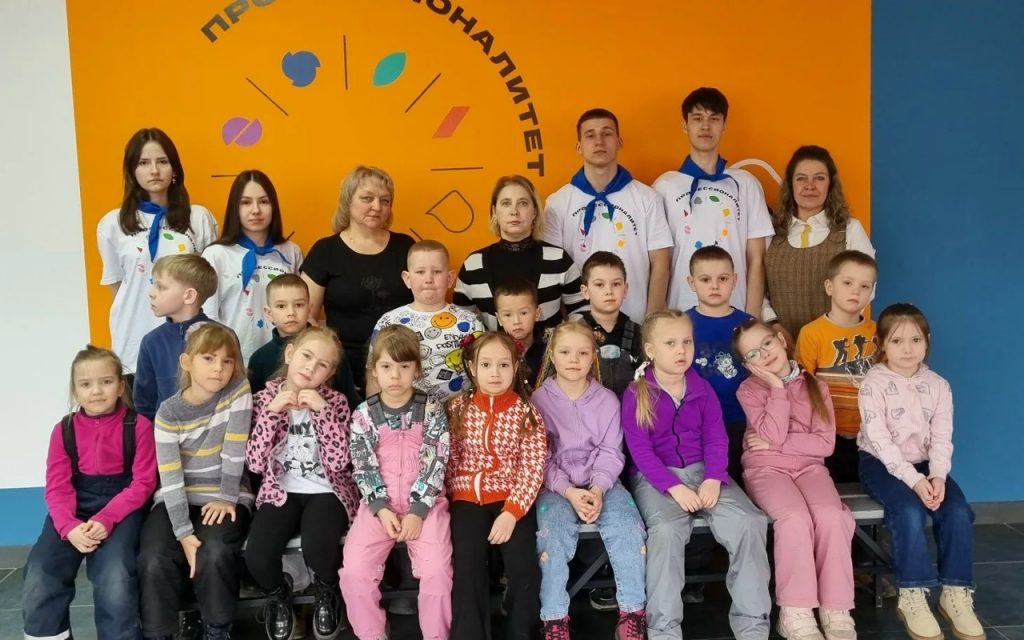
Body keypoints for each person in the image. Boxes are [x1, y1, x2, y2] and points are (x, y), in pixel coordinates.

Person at [622, 310, 771, 640]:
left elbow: (716, 437)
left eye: (687, 342)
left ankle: (753, 627)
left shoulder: (703, 389)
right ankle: (664, 631)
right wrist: (673, 487)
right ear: (650, 349)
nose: (681, 350)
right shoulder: (636, 393)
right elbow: (640, 451)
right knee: (665, 532)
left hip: (705, 473)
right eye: (670, 343)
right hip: (657, 479)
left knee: (749, 522)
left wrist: (714, 477)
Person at [857, 304, 984, 640]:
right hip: (880, 463)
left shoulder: (939, 385)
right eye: (897, 341)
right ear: (882, 344)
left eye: (916, 340)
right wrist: (914, 481)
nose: (908, 349)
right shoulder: (873, 383)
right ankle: (912, 593)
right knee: (909, 511)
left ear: (927, 341)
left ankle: (955, 593)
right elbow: (880, 441)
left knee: (956, 510)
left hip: (926, 464)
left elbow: (942, 438)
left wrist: (938, 475)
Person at [22, 346, 157, 640]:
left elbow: (143, 483)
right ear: (75, 390)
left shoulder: (139, 427)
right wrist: (68, 527)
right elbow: (57, 486)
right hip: (72, 510)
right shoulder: (63, 430)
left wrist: (106, 519)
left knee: (115, 576)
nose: (96, 391)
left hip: (121, 509)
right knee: (40, 572)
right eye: (85, 384)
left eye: (106, 381)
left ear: (120, 386)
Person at [734, 319, 857, 640]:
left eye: (767, 344)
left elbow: (824, 444)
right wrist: (777, 387)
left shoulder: (817, 387)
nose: (764, 354)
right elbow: (772, 433)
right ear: (748, 365)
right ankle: (795, 612)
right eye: (753, 354)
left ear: (781, 339)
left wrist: (776, 443)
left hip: (809, 469)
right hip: (766, 470)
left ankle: (836, 608)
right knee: (795, 518)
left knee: (832, 516)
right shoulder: (749, 390)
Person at [532, 321, 647, 640]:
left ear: (593, 356)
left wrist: (597, 489)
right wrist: (569, 492)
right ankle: (554, 618)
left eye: (583, 353)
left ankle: (632, 612)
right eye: (565, 352)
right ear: (552, 355)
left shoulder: (607, 400)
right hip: (556, 487)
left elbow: (611, 452)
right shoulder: (538, 401)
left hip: (603, 484)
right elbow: (540, 457)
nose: (574, 359)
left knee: (628, 527)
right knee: (552, 534)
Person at [138, 324, 253, 640]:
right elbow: (171, 477)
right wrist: (183, 532)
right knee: (153, 557)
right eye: (209, 358)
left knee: (213, 552)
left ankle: (217, 629)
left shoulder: (238, 390)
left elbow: (234, 452)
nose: (219, 368)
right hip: (177, 498)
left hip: (226, 492)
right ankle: (160, 633)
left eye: (227, 361)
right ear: (187, 362)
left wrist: (227, 498)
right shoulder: (168, 413)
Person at [246, 326, 359, 640]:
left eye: (322, 365)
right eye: (306, 356)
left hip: (326, 489)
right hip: (280, 489)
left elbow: (339, 461)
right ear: (289, 354)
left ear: (330, 373)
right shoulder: (263, 399)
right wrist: (271, 413)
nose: (310, 367)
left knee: (318, 547)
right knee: (258, 556)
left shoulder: (335, 401)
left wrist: (323, 412)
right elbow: (254, 463)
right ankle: (278, 594)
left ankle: (326, 588)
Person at [341, 325, 453, 640]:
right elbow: (363, 465)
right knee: (354, 572)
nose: (395, 375)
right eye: (387, 367)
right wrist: (381, 507)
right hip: (378, 508)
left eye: (404, 367)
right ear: (374, 370)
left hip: (425, 507)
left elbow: (437, 460)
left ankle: (436, 636)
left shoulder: (431, 408)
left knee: (437, 573)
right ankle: (372, 634)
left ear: (416, 369)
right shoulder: (363, 415)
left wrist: (418, 510)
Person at [446, 331, 547, 640]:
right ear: (472, 368)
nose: (494, 373)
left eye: (503, 365)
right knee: (467, 564)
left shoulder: (526, 412)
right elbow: (449, 458)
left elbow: (533, 467)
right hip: (467, 498)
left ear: (515, 367)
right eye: (486, 364)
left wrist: (512, 512)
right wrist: (455, 492)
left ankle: (521, 632)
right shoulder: (457, 408)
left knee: (523, 566)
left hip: (511, 499)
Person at [97, 127, 218, 378]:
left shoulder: (199, 218)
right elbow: (118, 288)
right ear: (132, 171)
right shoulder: (112, 224)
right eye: (144, 163)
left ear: (174, 169)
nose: (154, 170)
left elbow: (207, 285)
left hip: (191, 342)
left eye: (162, 161)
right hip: (133, 341)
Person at [652, 87, 774, 317]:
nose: (706, 126)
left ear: (724, 125)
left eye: (714, 119)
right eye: (697, 118)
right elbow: (658, 263)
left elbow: (757, 259)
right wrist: (657, 320)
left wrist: (751, 318)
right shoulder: (664, 186)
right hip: (679, 314)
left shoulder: (746, 183)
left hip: (735, 313)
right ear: (685, 125)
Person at [544, 108, 673, 323]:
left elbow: (660, 264)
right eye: (590, 135)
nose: (599, 141)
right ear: (579, 146)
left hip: (635, 325)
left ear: (619, 142)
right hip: (578, 330)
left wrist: (652, 322)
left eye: (607, 133)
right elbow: (553, 272)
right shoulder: (557, 204)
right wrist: (566, 327)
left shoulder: (647, 198)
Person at [301, 165, 415, 390]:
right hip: (340, 370)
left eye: (385, 200)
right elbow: (307, 316)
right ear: (347, 201)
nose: (377, 207)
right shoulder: (325, 251)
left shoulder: (406, 247)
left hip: (398, 369)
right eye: (367, 198)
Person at [764, 146, 875, 339]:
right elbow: (758, 290)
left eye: (819, 178)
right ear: (790, 185)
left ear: (830, 185)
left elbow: (866, 288)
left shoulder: (850, 230)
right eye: (801, 178)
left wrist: (830, 332)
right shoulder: (770, 233)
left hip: (836, 343)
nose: (810, 186)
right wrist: (774, 326)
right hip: (780, 345)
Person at [454, 175, 586, 330]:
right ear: (494, 211)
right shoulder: (473, 264)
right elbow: (459, 321)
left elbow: (581, 310)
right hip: (493, 346)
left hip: (551, 346)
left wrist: (565, 342)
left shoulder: (559, 259)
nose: (514, 212)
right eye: (506, 203)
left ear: (534, 211)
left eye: (523, 203)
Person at [202, 170, 304, 362]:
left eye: (264, 202)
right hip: (232, 361)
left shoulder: (291, 252)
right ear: (235, 208)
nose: (256, 210)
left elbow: (302, 310)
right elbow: (208, 318)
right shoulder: (216, 255)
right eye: (246, 202)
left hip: (285, 363)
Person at [796, 250, 879, 482]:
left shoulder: (878, 332)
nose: (856, 291)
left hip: (870, 435)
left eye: (864, 286)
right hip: (826, 434)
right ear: (830, 286)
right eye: (847, 283)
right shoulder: (812, 333)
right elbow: (801, 387)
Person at [368, 240, 483, 399]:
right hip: (405, 412)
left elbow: (482, 374)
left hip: (459, 410)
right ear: (407, 279)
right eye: (420, 272)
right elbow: (373, 375)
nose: (428, 279)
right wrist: (373, 410)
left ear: (450, 278)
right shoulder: (389, 321)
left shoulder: (471, 322)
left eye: (436, 271)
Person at [684, 246, 755, 484]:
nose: (714, 286)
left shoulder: (748, 324)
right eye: (705, 279)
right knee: (705, 484)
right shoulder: (683, 324)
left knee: (740, 483)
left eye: (722, 279)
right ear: (691, 282)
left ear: (734, 280)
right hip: (695, 422)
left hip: (741, 420)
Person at [247, 274, 360, 407]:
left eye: (299, 305)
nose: (291, 312)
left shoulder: (330, 351)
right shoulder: (259, 359)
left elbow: (350, 403)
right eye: (281, 306)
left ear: (309, 309)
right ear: (269, 313)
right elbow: (255, 409)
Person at [133, 254, 217, 421]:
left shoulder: (223, 337)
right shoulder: (151, 342)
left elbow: (235, 394)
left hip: (215, 433)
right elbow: (144, 405)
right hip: (166, 434)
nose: (151, 293)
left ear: (189, 296)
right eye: (153, 285)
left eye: (161, 287)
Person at [572, 251, 644, 398]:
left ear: (625, 289)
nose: (609, 291)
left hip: (630, 409)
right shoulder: (573, 335)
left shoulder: (640, 334)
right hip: (587, 410)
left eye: (616, 284)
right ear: (585, 291)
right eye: (599, 284)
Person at [494, 279, 547, 389]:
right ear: (499, 319)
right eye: (508, 315)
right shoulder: (492, 350)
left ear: (537, 314)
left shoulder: (550, 348)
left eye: (523, 313)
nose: (516, 321)